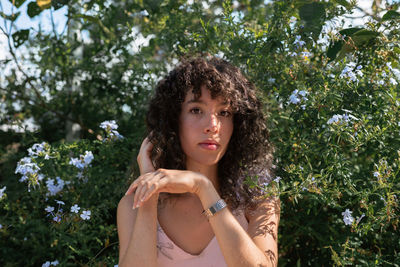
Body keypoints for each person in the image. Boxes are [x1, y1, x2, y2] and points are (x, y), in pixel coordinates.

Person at [117, 56, 280, 267]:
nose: (212, 126)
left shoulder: (258, 201)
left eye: (224, 112)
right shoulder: (132, 206)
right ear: (173, 120)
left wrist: (203, 188)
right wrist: (148, 195)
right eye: (196, 110)